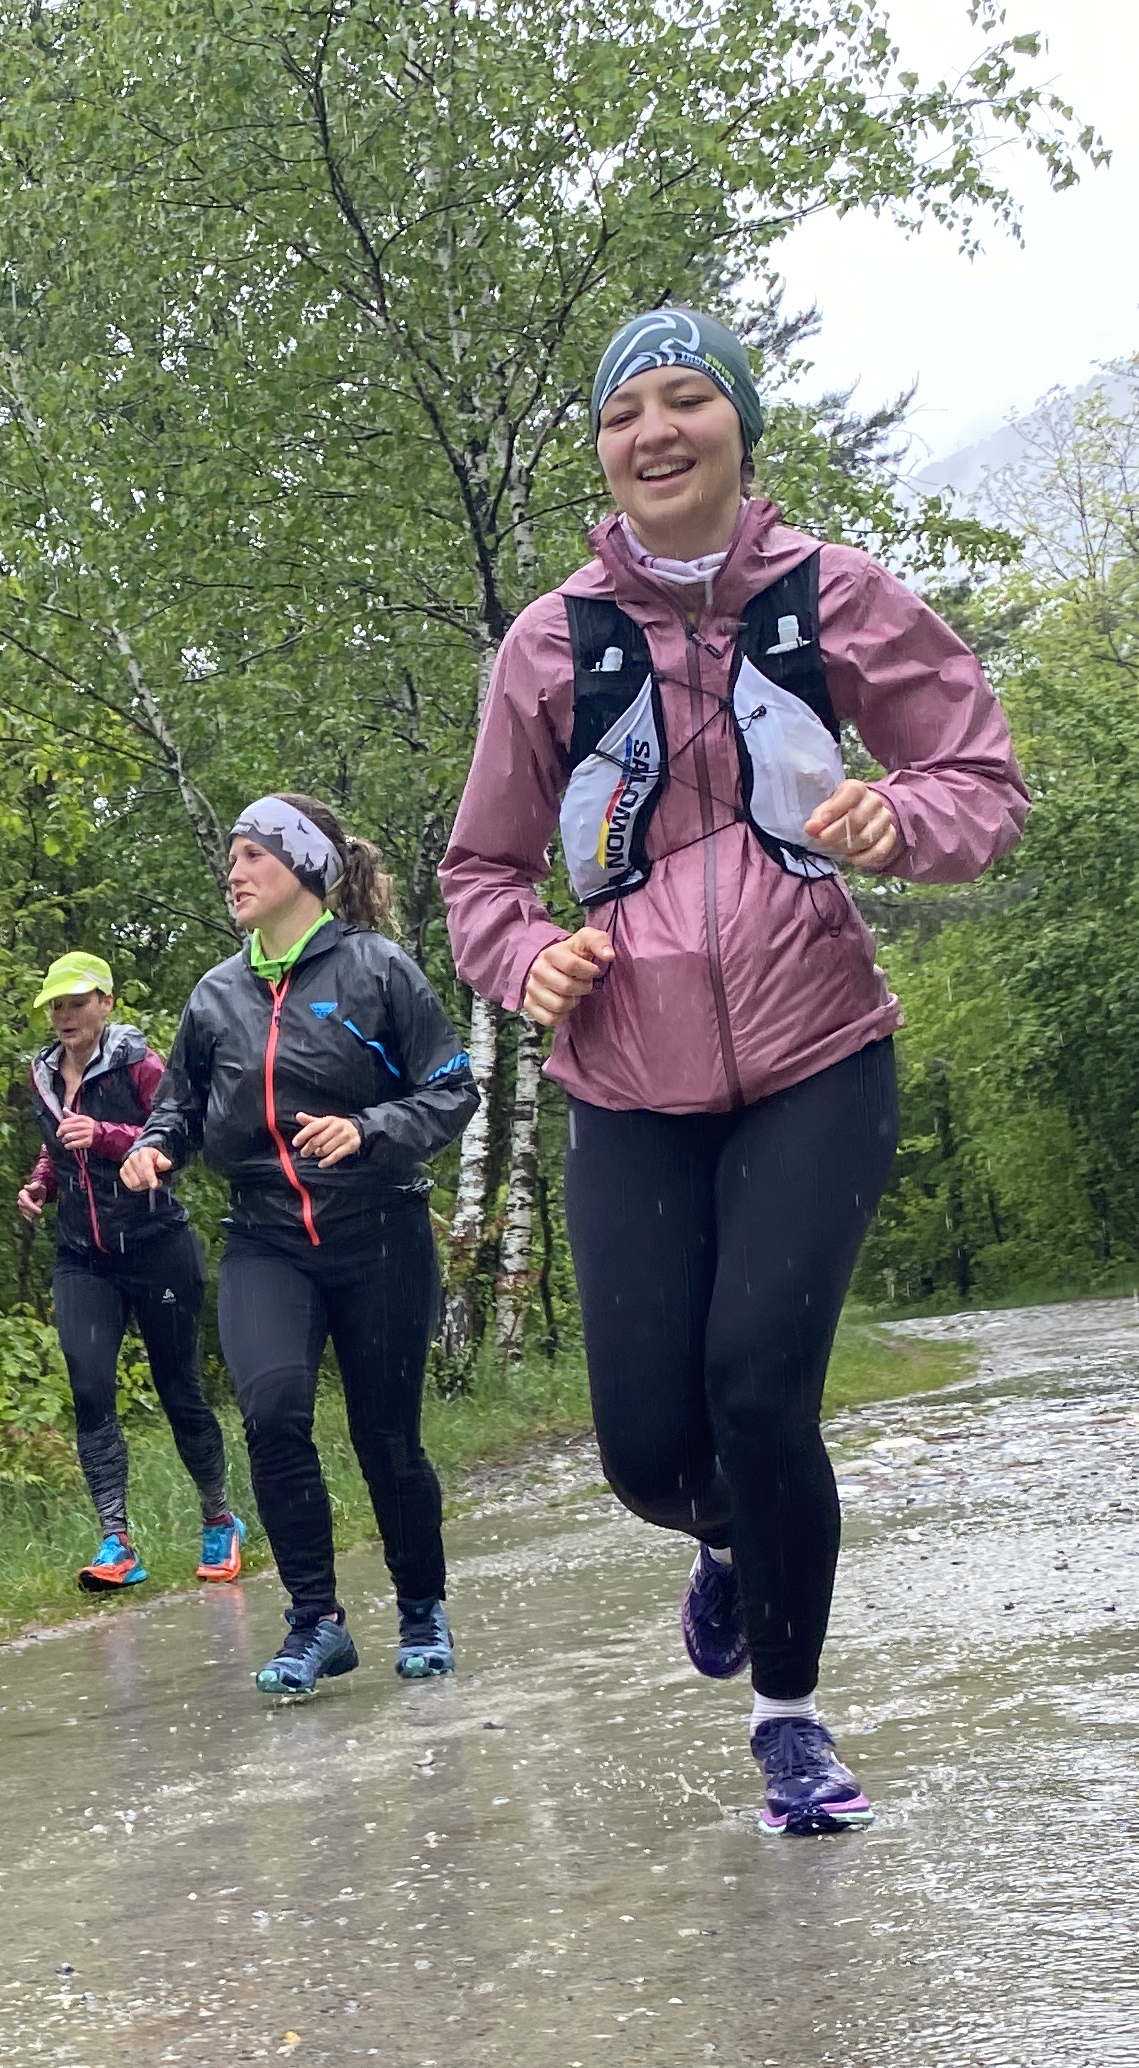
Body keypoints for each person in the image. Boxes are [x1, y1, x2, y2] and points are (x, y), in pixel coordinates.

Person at [441, 305, 1024, 1836]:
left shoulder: (836, 595)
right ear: (603, 453)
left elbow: (979, 777)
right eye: (627, 411)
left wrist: (909, 822)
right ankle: (726, 1546)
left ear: (738, 428)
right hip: (628, 1074)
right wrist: (528, 960)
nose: (657, 431)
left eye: (688, 399)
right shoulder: (549, 644)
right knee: (648, 1446)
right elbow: (482, 874)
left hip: (818, 1047)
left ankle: (791, 1722)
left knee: (760, 1388)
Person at [122, 799, 479, 1698]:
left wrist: (368, 1129)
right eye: (232, 858)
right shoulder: (214, 996)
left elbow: (453, 1090)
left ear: (304, 867)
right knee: (273, 1412)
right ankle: (316, 1621)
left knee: (385, 1438)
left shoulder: (378, 968)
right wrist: (154, 1146)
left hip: (382, 1235)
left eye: (251, 856)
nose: (233, 873)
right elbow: (180, 1108)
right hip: (266, 1239)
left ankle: (422, 1609)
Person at [13, 950, 240, 1590]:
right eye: (55, 1005)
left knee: (179, 1390)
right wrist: (39, 1184)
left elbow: (179, 1134)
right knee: (89, 1389)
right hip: (82, 1257)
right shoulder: (42, 1075)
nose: (64, 1016)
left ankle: (219, 1519)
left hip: (156, 1244)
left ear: (106, 1004)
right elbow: (57, 1145)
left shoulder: (142, 1066)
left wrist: (111, 1136)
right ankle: (116, 1541)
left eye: (77, 1002)